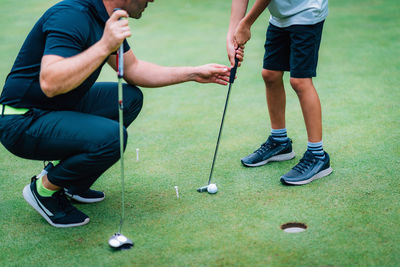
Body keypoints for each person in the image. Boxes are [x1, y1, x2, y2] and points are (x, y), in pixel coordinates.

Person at [0, 0, 232, 228]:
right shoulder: (71, 15)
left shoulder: (106, 18)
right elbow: (50, 82)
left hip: (56, 108)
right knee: (112, 137)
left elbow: (133, 70)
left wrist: (194, 73)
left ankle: (70, 183)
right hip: (22, 120)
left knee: (130, 99)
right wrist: (104, 45)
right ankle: (43, 191)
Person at [227, 0, 332, 185]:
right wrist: (232, 33)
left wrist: (246, 23)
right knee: (270, 74)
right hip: (280, 16)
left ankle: (318, 156)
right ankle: (280, 142)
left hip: (307, 11)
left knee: (300, 81)